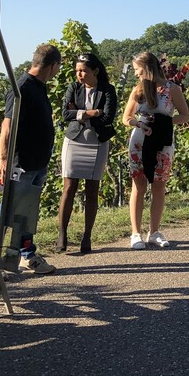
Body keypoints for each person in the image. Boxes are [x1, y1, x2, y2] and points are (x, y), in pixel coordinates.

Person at [0, 43, 62, 275]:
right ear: (52, 66)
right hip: (21, 163)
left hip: (37, 162)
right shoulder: (21, 88)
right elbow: (7, 125)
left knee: (26, 212)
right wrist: (3, 159)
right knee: (7, 211)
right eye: (58, 67)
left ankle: (27, 255)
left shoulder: (39, 87)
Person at [122, 51, 189, 250]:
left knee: (159, 186)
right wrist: (139, 123)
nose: (136, 74)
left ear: (147, 68)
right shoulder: (138, 90)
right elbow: (126, 117)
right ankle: (136, 233)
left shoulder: (172, 89)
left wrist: (164, 123)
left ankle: (154, 232)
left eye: (137, 69)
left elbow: (185, 115)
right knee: (139, 186)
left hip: (162, 142)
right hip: (139, 142)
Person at [57, 52, 118, 254]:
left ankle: (87, 236)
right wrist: (91, 112)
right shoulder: (73, 88)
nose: (79, 74)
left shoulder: (108, 90)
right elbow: (65, 114)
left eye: (83, 70)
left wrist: (79, 113)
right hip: (74, 141)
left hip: (97, 143)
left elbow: (108, 116)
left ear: (95, 71)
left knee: (92, 189)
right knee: (69, 188)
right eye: (77, 71)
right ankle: (62, 234)